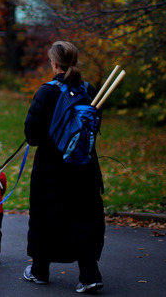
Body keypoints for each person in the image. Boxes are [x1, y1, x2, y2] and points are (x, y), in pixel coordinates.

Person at [23, 41, 105, 294]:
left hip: (51, 170)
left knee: (46, 217)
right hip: (84, 167)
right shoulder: (89, 90)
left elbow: (32, 136)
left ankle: (39, 271)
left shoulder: (46, 92)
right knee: (84, 217)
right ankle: (89, 274)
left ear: (54, 63)